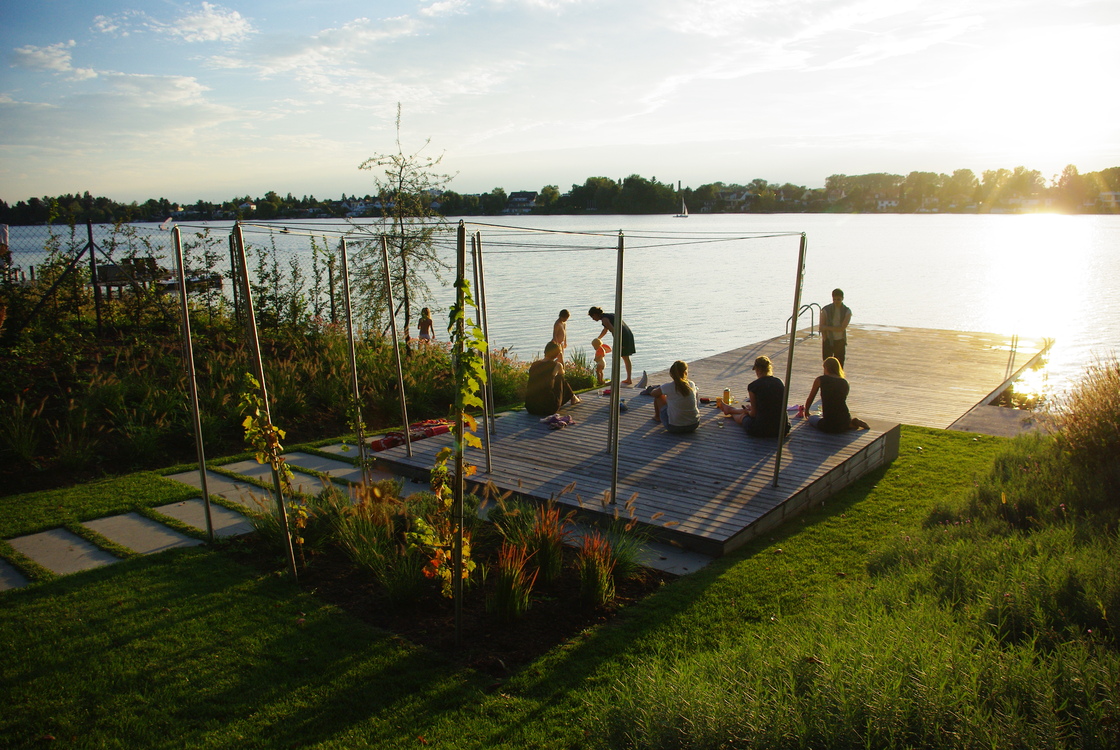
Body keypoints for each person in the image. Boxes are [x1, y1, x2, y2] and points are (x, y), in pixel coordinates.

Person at [715, 355, 790, 438]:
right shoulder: (779, 382)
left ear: (757, 370)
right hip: (782, 428)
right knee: (750, 410)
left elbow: (753, 414)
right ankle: (730, 409)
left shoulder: (753, 386)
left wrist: (747, 411)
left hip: (762, 429)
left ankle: (731, 411)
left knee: (744, 416)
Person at [804, 357, 871, 432]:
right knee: (840, 421)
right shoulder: (844, 382)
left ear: (826, 368)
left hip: (829, 423)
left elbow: (811, 397)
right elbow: (840, 400)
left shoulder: (820, 379)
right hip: (845, 419)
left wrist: (806, 411)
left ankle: (848, 423)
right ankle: (851, 422)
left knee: (812, 418)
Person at [525, 341, 582, 415]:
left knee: (555, 379)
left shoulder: (534, 364)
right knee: (560, 378)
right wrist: (561, 360)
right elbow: (562, 373)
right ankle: (573, 398)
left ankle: (573, 397)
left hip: (531, 407)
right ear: (557, 354)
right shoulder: (556, 365)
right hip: (548, 408)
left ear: (545, 351)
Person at [588, 306, 636, 385]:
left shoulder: (604, 319)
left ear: (596, 314)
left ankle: (614, 380)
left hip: (622, 337)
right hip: (628, 334)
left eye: (592, 317)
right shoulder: (608, 316)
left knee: (616, 357)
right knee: (626, 357)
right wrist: (598, 338)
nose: (593, 319)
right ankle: (628, 379)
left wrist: (618, 343)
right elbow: (605, 330)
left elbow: (613, 330)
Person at [651, 360, 701, 434]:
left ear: (672, 374)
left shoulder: (668, 386)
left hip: (674, 427)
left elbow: (653, 394)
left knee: (659, 396)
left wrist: (658, 389)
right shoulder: (691, 384)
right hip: (694, 424)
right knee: (695, 392)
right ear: (685, 373)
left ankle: (657, 417)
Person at [820, 288, 852, 367]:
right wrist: (825, 338)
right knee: (827, 365)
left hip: (840, 340)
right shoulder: (825, 310)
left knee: (840, 365)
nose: (836, 301)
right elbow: (821, 327)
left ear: (842, 299)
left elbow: (842, 328)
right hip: (828, 340)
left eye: (838, 299)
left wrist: (827, 328)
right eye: (834, 299)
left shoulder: (847, 311)